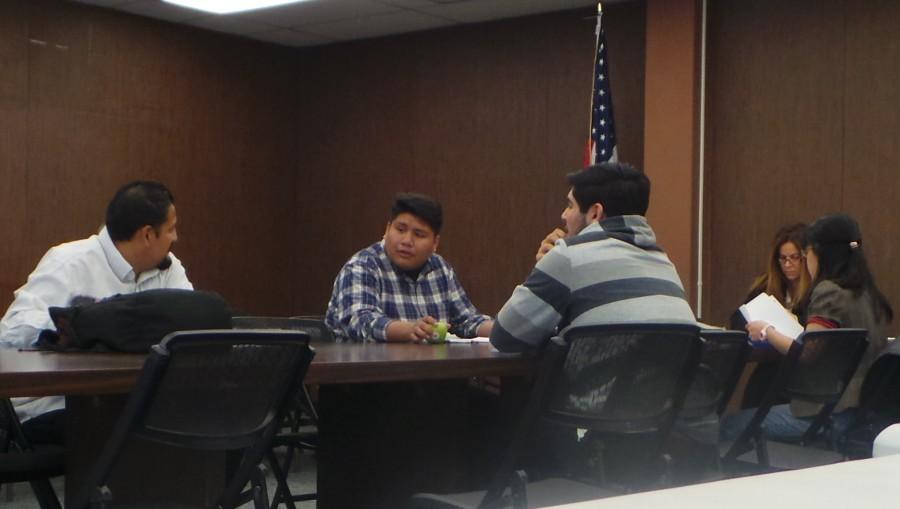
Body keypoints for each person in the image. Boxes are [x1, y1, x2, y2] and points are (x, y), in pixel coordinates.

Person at [0, 180, 193, 444]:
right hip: (55, 404)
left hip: (129, 397)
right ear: (148, 235)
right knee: (145, 429)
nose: (176, 237)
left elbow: (191, 324)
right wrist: (82, 323)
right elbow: (10, 335)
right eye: (171, 230)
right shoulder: (68, 262)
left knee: (194, 416)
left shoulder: (169, 269)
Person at [490, 162, 696, 352]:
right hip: (663, 391)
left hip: (590, 391)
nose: (563, 215)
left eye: (570, 206)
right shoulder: (664, 263)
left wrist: (546, 267)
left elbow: (505, 336)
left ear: (595, 213)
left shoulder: (568, 255)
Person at [725, 213, 893, 442]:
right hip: (863, 409)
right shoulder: (869, 294)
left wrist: (767, 331)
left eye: (805, 255)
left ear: (820, 254)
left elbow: (807, 352)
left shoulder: (829, 291)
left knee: (730, 425)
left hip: (827, 414)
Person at [326, 192, 492, 342]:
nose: (406, 241)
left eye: (419, 234)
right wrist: (410, 330)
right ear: (387, 229)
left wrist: (501, 330)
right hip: (374, 372)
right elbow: (359, 321)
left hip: (434, 370)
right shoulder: (362, 265)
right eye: (400, 229)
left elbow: (466, 320)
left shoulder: (440, 268)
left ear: (435, 243)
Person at [744, 223, 811, 318]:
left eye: (795, 257)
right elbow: (741, 319)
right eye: (783, 258)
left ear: (807, 257)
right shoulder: (764, 287)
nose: (787, 264)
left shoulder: (817, 292)